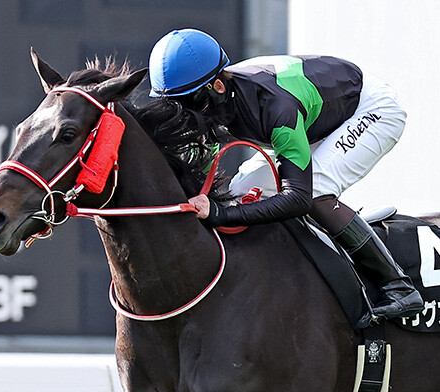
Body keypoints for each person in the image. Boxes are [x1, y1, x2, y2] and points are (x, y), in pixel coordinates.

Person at [147, 28, 423, 324]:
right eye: (174, 105)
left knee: (317, 191)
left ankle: (398, 286)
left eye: (189, 103)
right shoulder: (217, 98)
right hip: (314, 117)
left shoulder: (274, 108)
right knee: (242, 189)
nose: (184, 115)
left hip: (368, 109)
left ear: (217, 86)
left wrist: (219, 215)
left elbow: (297, 199)